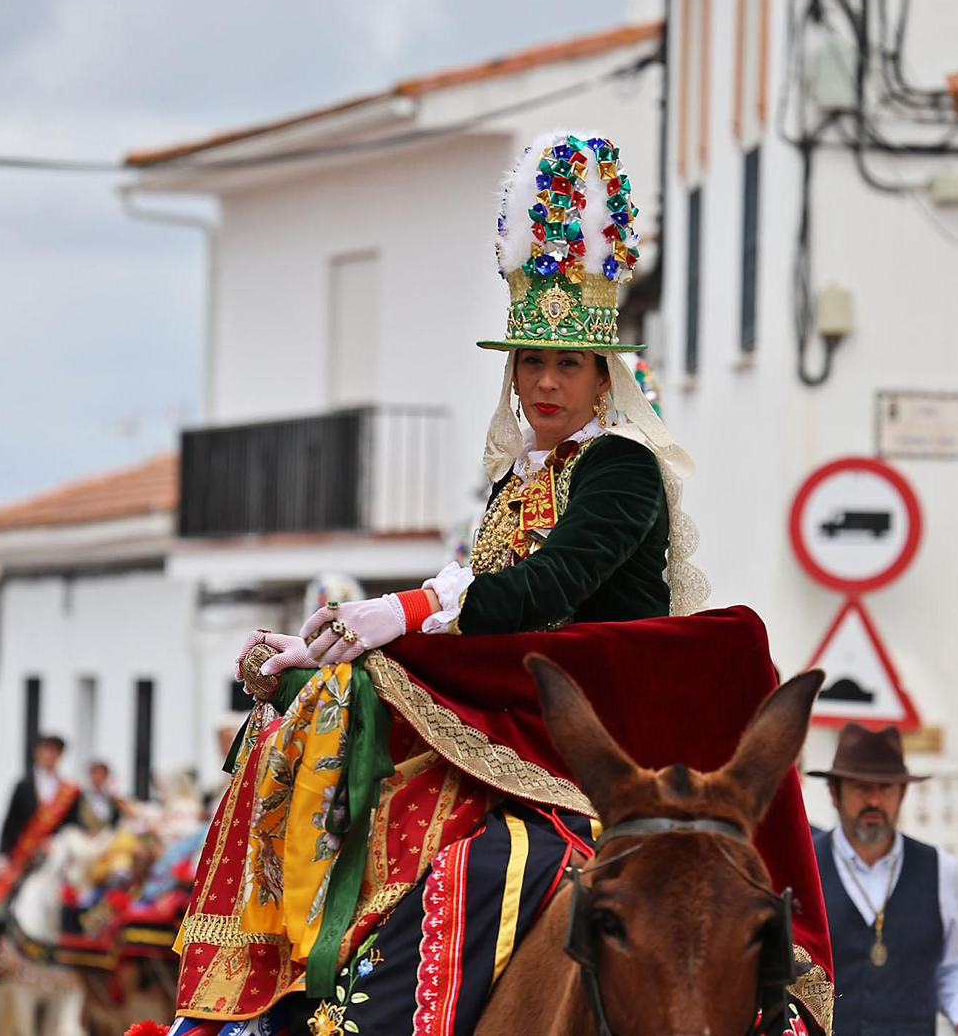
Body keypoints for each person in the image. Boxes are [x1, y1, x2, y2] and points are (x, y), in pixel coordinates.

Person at [166, 132, 832, 1036]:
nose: (545, 380)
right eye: (530, 361)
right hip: (508, 738)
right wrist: (320, 645)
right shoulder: (518, 475)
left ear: (604, 375)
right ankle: (278, 1004)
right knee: (320, 763)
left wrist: (394, 615)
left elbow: (544, 590)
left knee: (486, 866)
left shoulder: (621, 470)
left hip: (585, 760)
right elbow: (465, 585)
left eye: (565, 362)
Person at [809, 724, 958, 1035]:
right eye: (861, 787)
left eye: (886, 788)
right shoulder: (807, 868)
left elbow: (953, 969)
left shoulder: (941, 868)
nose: (874, 801)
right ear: (835, 792)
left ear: (902, 793)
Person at [0, 734, 82, 910]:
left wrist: (55, 842)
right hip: (23, 854)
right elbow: (10, 822)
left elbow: (74, 824)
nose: (50, 756)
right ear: (37, 753)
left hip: (54, 853)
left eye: (55, 752)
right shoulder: (23, 786)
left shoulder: (70, 791)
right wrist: (2, 856)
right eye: (46, 750)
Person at [79, 760, 124, 830]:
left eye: (103, 774)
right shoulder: (81, 795)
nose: (99, 777)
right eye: (96, 773)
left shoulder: (111, 798)